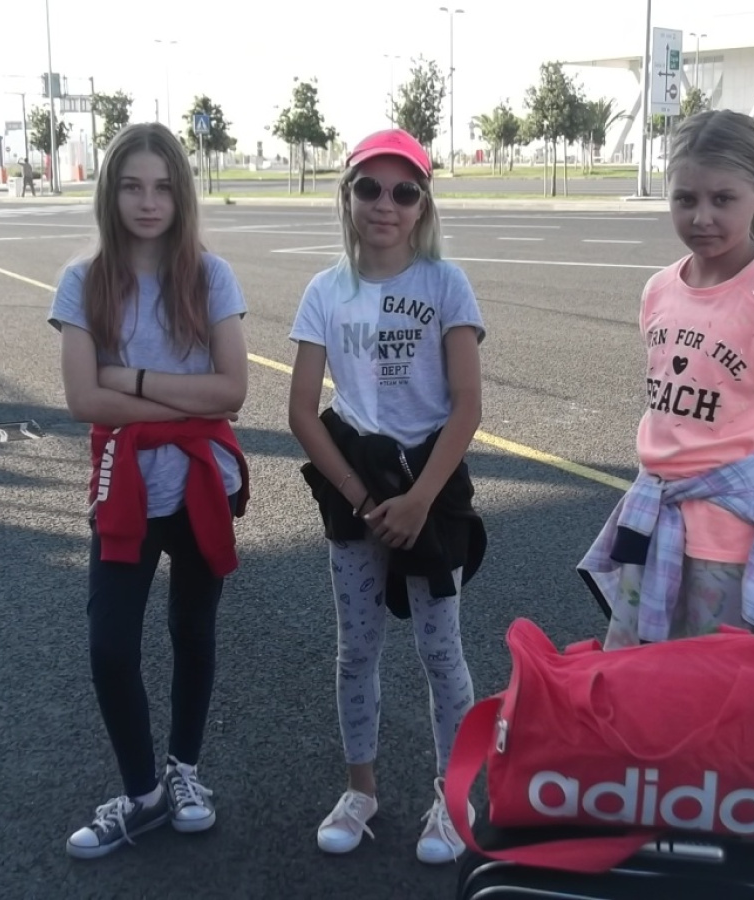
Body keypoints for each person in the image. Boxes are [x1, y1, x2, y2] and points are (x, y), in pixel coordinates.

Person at [578, 109, 754, 649]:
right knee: (648, 674)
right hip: (656, 517)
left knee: (711, 681)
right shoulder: (659, 290)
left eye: (722, 199)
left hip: (728, 540)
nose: (702, 217)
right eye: (685, 199)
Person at [47, 122, 250, 859]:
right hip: (125, 484)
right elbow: (82, 399)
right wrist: (185, 403)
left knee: (193, 633)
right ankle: (142, 795)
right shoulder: (83, 282)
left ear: (181, 194)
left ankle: (184, 771)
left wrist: (128, 379)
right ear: (111, 192)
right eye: (132, 185)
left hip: (200, 483)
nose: (148, 201)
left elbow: (233, 391)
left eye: (163, 187)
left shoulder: (210, 276)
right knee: (109, 646)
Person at [287, 128, 487, 864]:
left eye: (405, 192)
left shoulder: (446, 284)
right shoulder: (325, 291)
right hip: (356, 485)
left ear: (423, 205)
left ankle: (454, 797)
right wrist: (360, 499)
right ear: (348, 196)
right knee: (357, 650)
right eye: (370, 188)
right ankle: (361, 790)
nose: (386, 204)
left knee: (440, 649)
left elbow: (466, 407)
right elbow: (302, 412)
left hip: (430, 485)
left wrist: (420, 500)